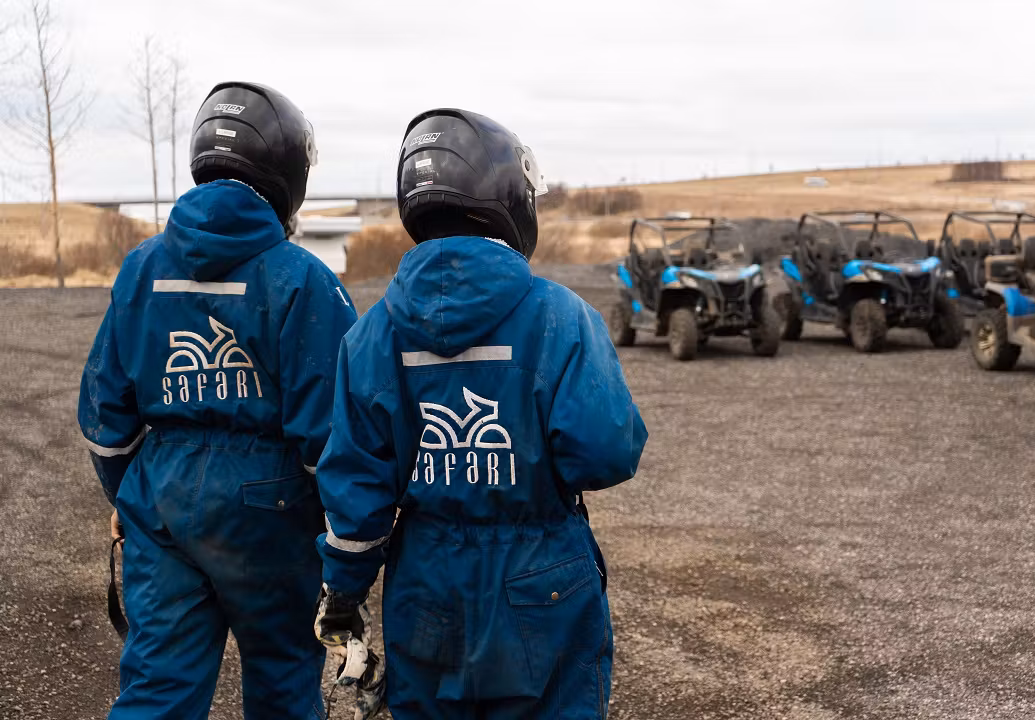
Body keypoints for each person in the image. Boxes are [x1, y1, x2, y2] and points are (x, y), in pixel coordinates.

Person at [313, 108, 648, 719]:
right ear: (510, 197)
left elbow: (356, 494)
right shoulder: (562, 316)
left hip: (425, 580)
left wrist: (344, 590)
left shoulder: (372, 335)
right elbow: (606, 450)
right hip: (542, 569)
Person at [78, 81, 358, 719]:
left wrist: (132, 494)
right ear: (287, 173)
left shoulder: (142, 267)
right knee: (285, 681)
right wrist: (344, 541)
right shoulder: (304, 279)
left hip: (163, 502)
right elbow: (335, 436)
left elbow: (104, 418)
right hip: (272, 504)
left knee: (156, 688)